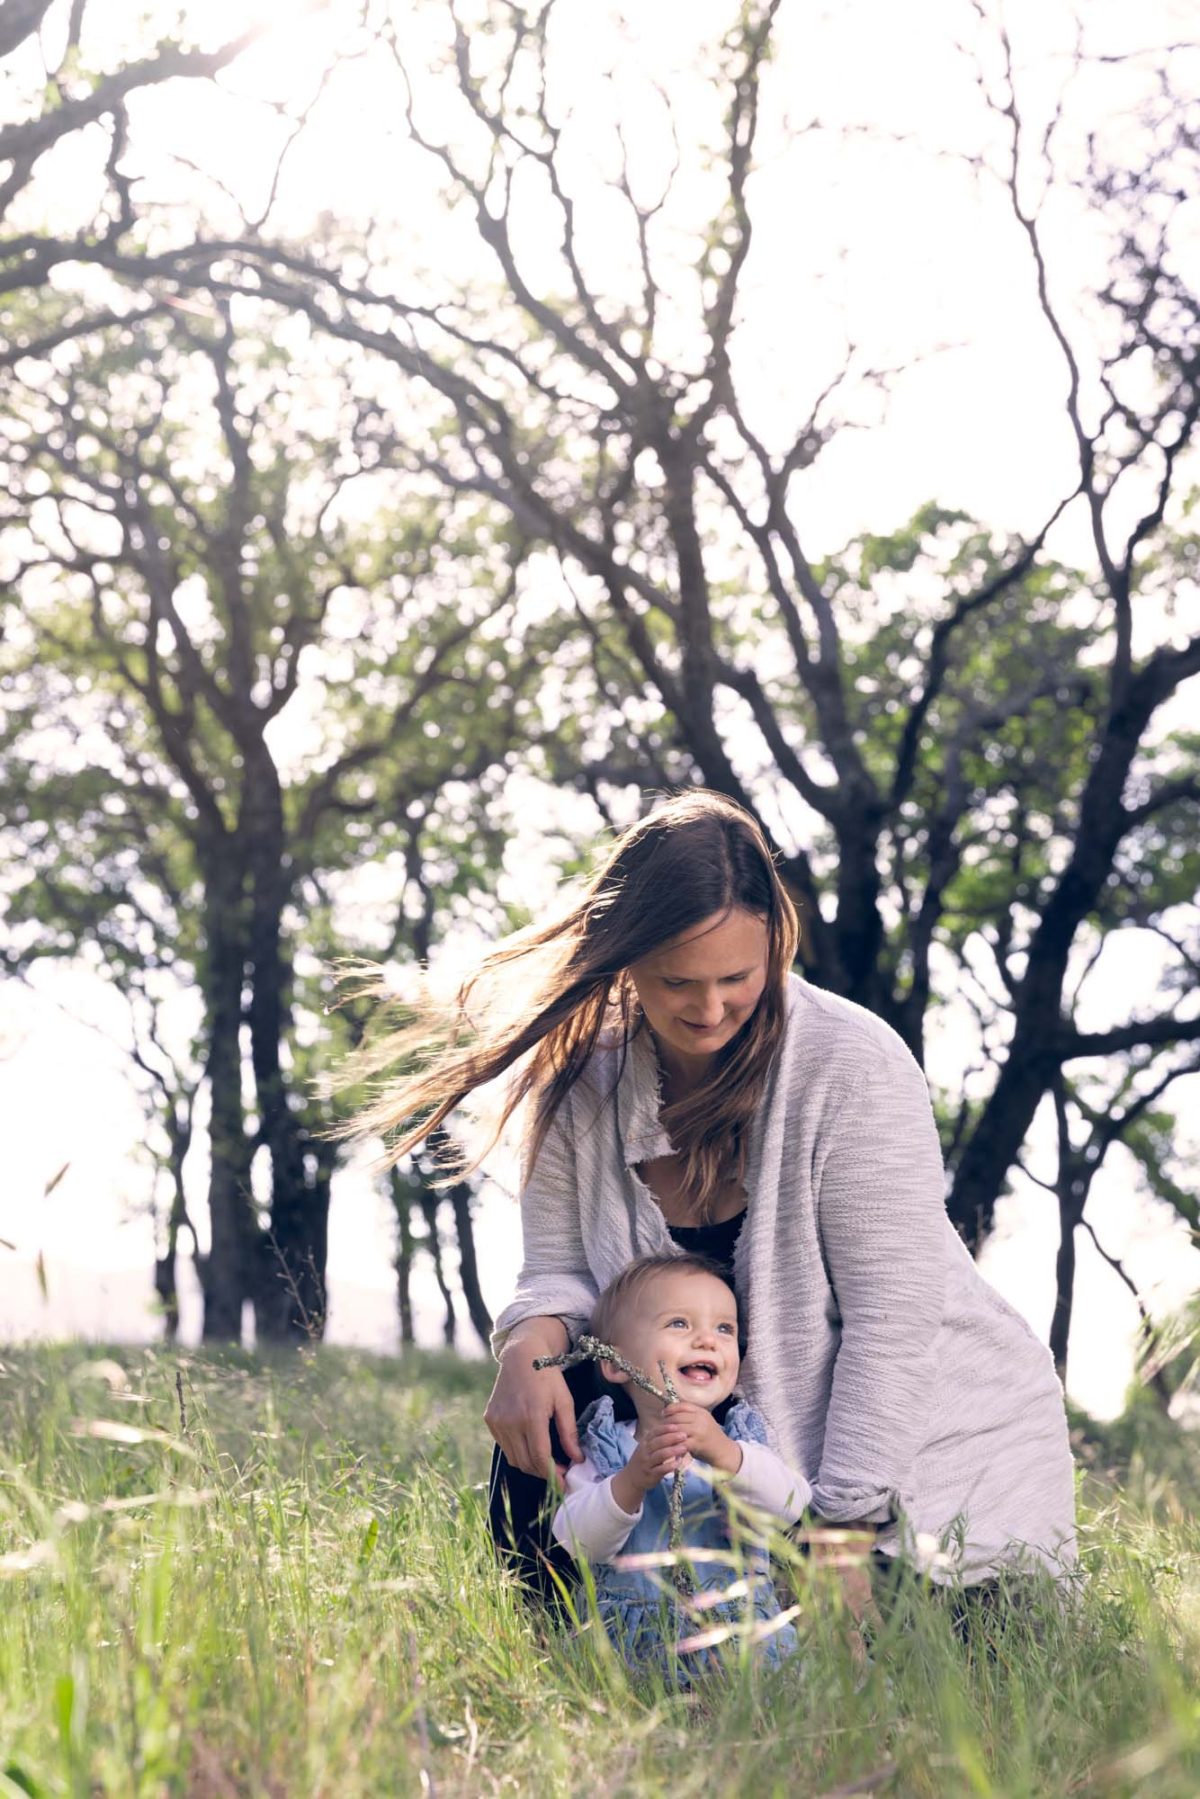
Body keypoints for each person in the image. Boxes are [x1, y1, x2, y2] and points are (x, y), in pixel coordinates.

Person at [353, 788, 1077, 1616]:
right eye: (675, 982)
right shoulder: (580, 1080)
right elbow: (558, 1272)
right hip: (709, 1443)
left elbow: (893, 1318)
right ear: (627, 961)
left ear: (777, 942)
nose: (708, 1008)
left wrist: (841, 1530)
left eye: (737, 976)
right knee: (555, 1381)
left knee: (918, 1645)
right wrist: (525, 1348)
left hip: (902, 1454)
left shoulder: (854, 1065)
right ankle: (579, 1614)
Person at [548, 1252, 809, 1679]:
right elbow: (577, 1541)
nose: (708, 1340)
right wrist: (631, 1481)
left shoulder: (742, 1442)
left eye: (725, 1328)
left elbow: (793, 1503)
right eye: (679, 1324)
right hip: (635, 1644)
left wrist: (724, 1455)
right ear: (614, 1363)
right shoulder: (608, 1446)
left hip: (745, 1638)